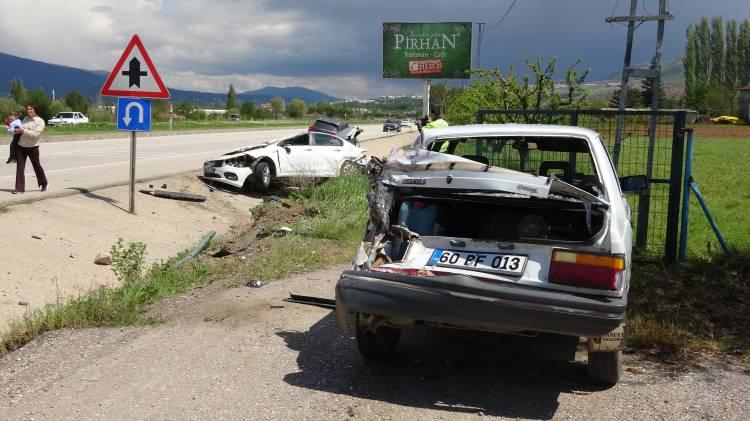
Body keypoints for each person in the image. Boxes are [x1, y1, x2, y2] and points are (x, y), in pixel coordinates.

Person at [12, 103, 48, 194]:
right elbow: (21, 130)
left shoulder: (40, 121)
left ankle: (44, 183)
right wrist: (14, 130)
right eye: (27, 109)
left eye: (31, 109)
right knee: (20, 167)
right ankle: (19, 188)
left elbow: (35, 135)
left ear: (35, 110)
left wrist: (23, 130)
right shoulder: (25, 119)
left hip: (33, 147)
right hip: (21, 146)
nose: (28, 111)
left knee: (37, 166)